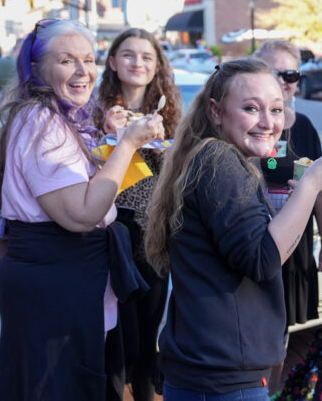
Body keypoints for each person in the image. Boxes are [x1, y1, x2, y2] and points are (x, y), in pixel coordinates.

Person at [144, 58, 322, 399]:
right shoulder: (219, 162)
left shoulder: (218, 158)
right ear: (216, 111)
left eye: (276, 109)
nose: (268, 122)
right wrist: (311, 184)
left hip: (211, 364)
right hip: (222, 374)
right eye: (251, 108)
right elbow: (262, 259)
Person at [0, 19, 164, 401]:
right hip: (55, 284)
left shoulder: (57, 117)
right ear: (36, 69)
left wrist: (104, 138)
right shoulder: (41, 123)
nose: (83, 71)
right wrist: (126, 146)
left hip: (66, 280)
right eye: (67, 60)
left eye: (88, 59)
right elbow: (81, 213)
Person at [98, 27, 183, 401]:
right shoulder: (95, 110)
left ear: (157, 67)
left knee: (149, 334)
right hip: (110, 231)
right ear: (114, 62)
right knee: (117, 335)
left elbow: (182, 179)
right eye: (129, 55)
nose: (138, 63)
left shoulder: (170, 115)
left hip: (153, 233)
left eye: (147, 57)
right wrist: (107, 135)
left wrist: (172, 155)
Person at [253, 39, 322, 328]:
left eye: (290, 75)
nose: (283, 81)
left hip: (295, 242)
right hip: (252, 242)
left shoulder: (303, 126)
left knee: (283, 333)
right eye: (274, 72)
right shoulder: (243, 127)